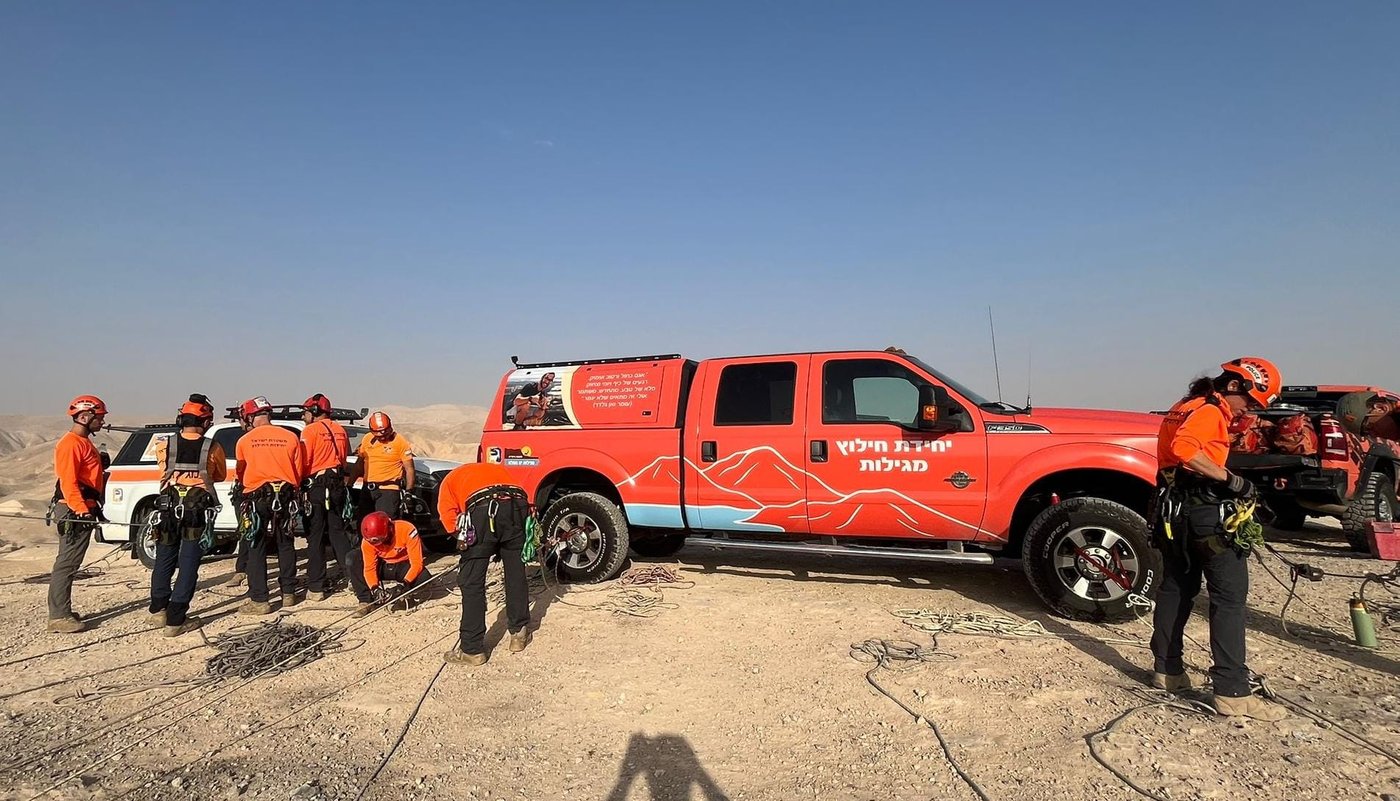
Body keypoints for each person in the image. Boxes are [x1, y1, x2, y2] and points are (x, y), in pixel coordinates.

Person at [1149, 357, 1288, 721]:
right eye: (1252, 403)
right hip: (1205, 512)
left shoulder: (1186, 406)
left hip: (1174, 512)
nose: (1250, 412)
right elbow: (1184, 450)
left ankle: (1168, 671)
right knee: (1229, 598)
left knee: (1176, 586)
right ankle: (1232, 692)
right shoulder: (1210, 411)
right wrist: (1232, 481)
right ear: (1234, 387)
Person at [437, 461, 534, 665]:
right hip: (517, 505)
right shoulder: (494, 469)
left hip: (483, 510)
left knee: (472, 582)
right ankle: (519, 633)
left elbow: (449, 522)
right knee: (516, 574)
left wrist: (472, 549)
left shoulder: (448, 482)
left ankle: (472, 650)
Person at [148, 395, 226, 637]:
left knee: (164, 557)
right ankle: (176, 618)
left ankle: (159, 609)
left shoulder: (165, 444)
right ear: (205, 421)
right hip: (195, 509)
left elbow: (162, 468)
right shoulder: (212, 447)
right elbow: (219, 475)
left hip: (168, 506)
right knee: (189, 561)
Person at [234, 396, 306, 614]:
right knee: (285, 543)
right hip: (285, 495)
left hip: (256, 497)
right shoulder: (290, 437)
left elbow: (240, 472)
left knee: (256, 545)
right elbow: (299, 471)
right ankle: (289, 594)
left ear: (249, 417)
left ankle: (260, 599)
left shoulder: (245, 441)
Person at [300, 394, 373, 606]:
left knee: (315, 535)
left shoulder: (310, 431)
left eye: (306, 412)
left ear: (314, 412)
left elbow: (305, 461)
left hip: (318, 484)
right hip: (337, 484)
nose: (304, 417)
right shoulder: (340, 430)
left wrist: (301, 483)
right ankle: (352, 577)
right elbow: (342, 459)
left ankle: (316, 586)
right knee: (338, 531)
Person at [48, 395, 109, 634]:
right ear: (85, 417)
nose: (102, 422)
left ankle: (62, 610)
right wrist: (81, 510)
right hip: (74, 508)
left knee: (71, 561)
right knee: (67, 562)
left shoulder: (83, 443)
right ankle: (59, 616)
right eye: (100, 417)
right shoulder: (71, 444)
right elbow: (68, 482)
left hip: (84, 505)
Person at [355, 511, 430, 617]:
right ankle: (366, 601)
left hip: (403, 565)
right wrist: (375, 588)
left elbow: (417, 563)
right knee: (353, 559)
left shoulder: (407, 529)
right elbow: (369, 568)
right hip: (384, 566)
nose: (378, 545)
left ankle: (406, 595)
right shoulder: (368, 541)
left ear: (389, 529)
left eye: (381, 540)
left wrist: (404, 585)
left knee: (424, 577)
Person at [349, 411, 415, 519]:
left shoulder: (400, 441)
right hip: (368, 490)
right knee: (363, 524)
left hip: (388, 491)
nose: (382, 437)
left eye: (385, 433)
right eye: (378, 434)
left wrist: (409, 492)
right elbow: (359, 464)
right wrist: (350, 485)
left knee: (385, 526)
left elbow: (410, 469)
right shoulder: (367, 439)